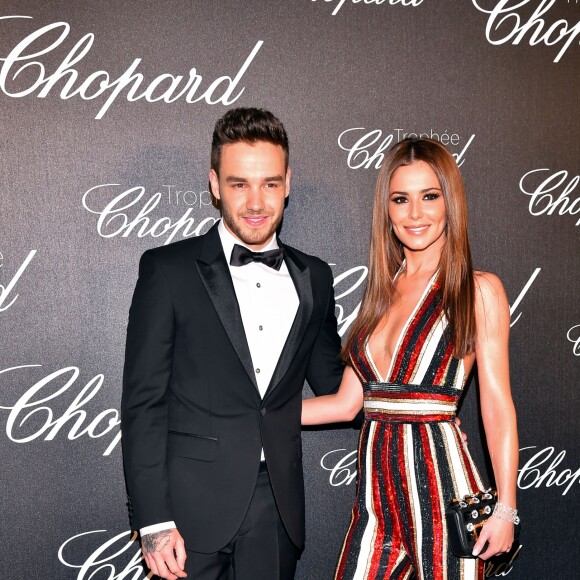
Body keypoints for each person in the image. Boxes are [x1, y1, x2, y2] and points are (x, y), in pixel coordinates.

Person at [121, 107, 344, 580]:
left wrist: (422, 406)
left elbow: (339, 382)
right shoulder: (168, 270)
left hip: (277, 509)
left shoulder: (316, 277)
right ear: (215, 184)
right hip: (186, 512)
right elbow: (144, 403)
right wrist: (153, 520)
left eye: (269, 183)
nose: (256, 201)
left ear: (287, 183)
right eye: (240, 183)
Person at [302, 138, 519, 579]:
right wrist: (251, 411)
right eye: (401, 199)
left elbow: (496, 406)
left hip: (444, 501)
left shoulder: (478, 291)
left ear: (450, 203)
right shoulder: (381, 293)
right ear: (387, 209)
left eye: (429, 197)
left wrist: (506, 509)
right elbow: (347, 404)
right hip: (375, 505)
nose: (415, 213)